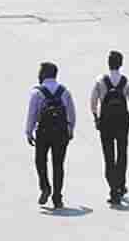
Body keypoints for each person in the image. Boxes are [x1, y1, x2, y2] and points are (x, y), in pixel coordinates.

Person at [91, 51, 129, 205]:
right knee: (122, 154)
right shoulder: (127, 82)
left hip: (106, 123)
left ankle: (113, 190)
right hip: (122, 123)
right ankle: (121, 185)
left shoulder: (100, 81)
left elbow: (93, 103)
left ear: (108, 63)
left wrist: (96, 119)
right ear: (121, 64)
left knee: (108, 157)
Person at [25, 62, 76, 209]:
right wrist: (70, 129)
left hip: (43, 132)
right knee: (58, 165)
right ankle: (57, 197)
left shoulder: (37, 92)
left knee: (40, 161)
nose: (38, 75)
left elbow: (32, 114)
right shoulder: (65, 91)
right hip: (61, 132)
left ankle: (45, 187)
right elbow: (71, 113)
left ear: (45, 74)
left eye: (40, 72)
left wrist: (29, 132)